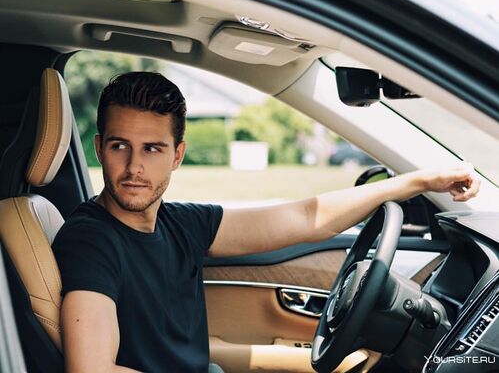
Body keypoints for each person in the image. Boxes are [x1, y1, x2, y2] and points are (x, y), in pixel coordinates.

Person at [52, 72, 480, 373]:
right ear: (99, 147)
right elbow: (92, 369)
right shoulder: (90, 240)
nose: (133, 167)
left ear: (177, 155)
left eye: (152, 149)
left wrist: (416, 182)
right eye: (120, 146)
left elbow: (305, 218)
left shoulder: (179, 223)